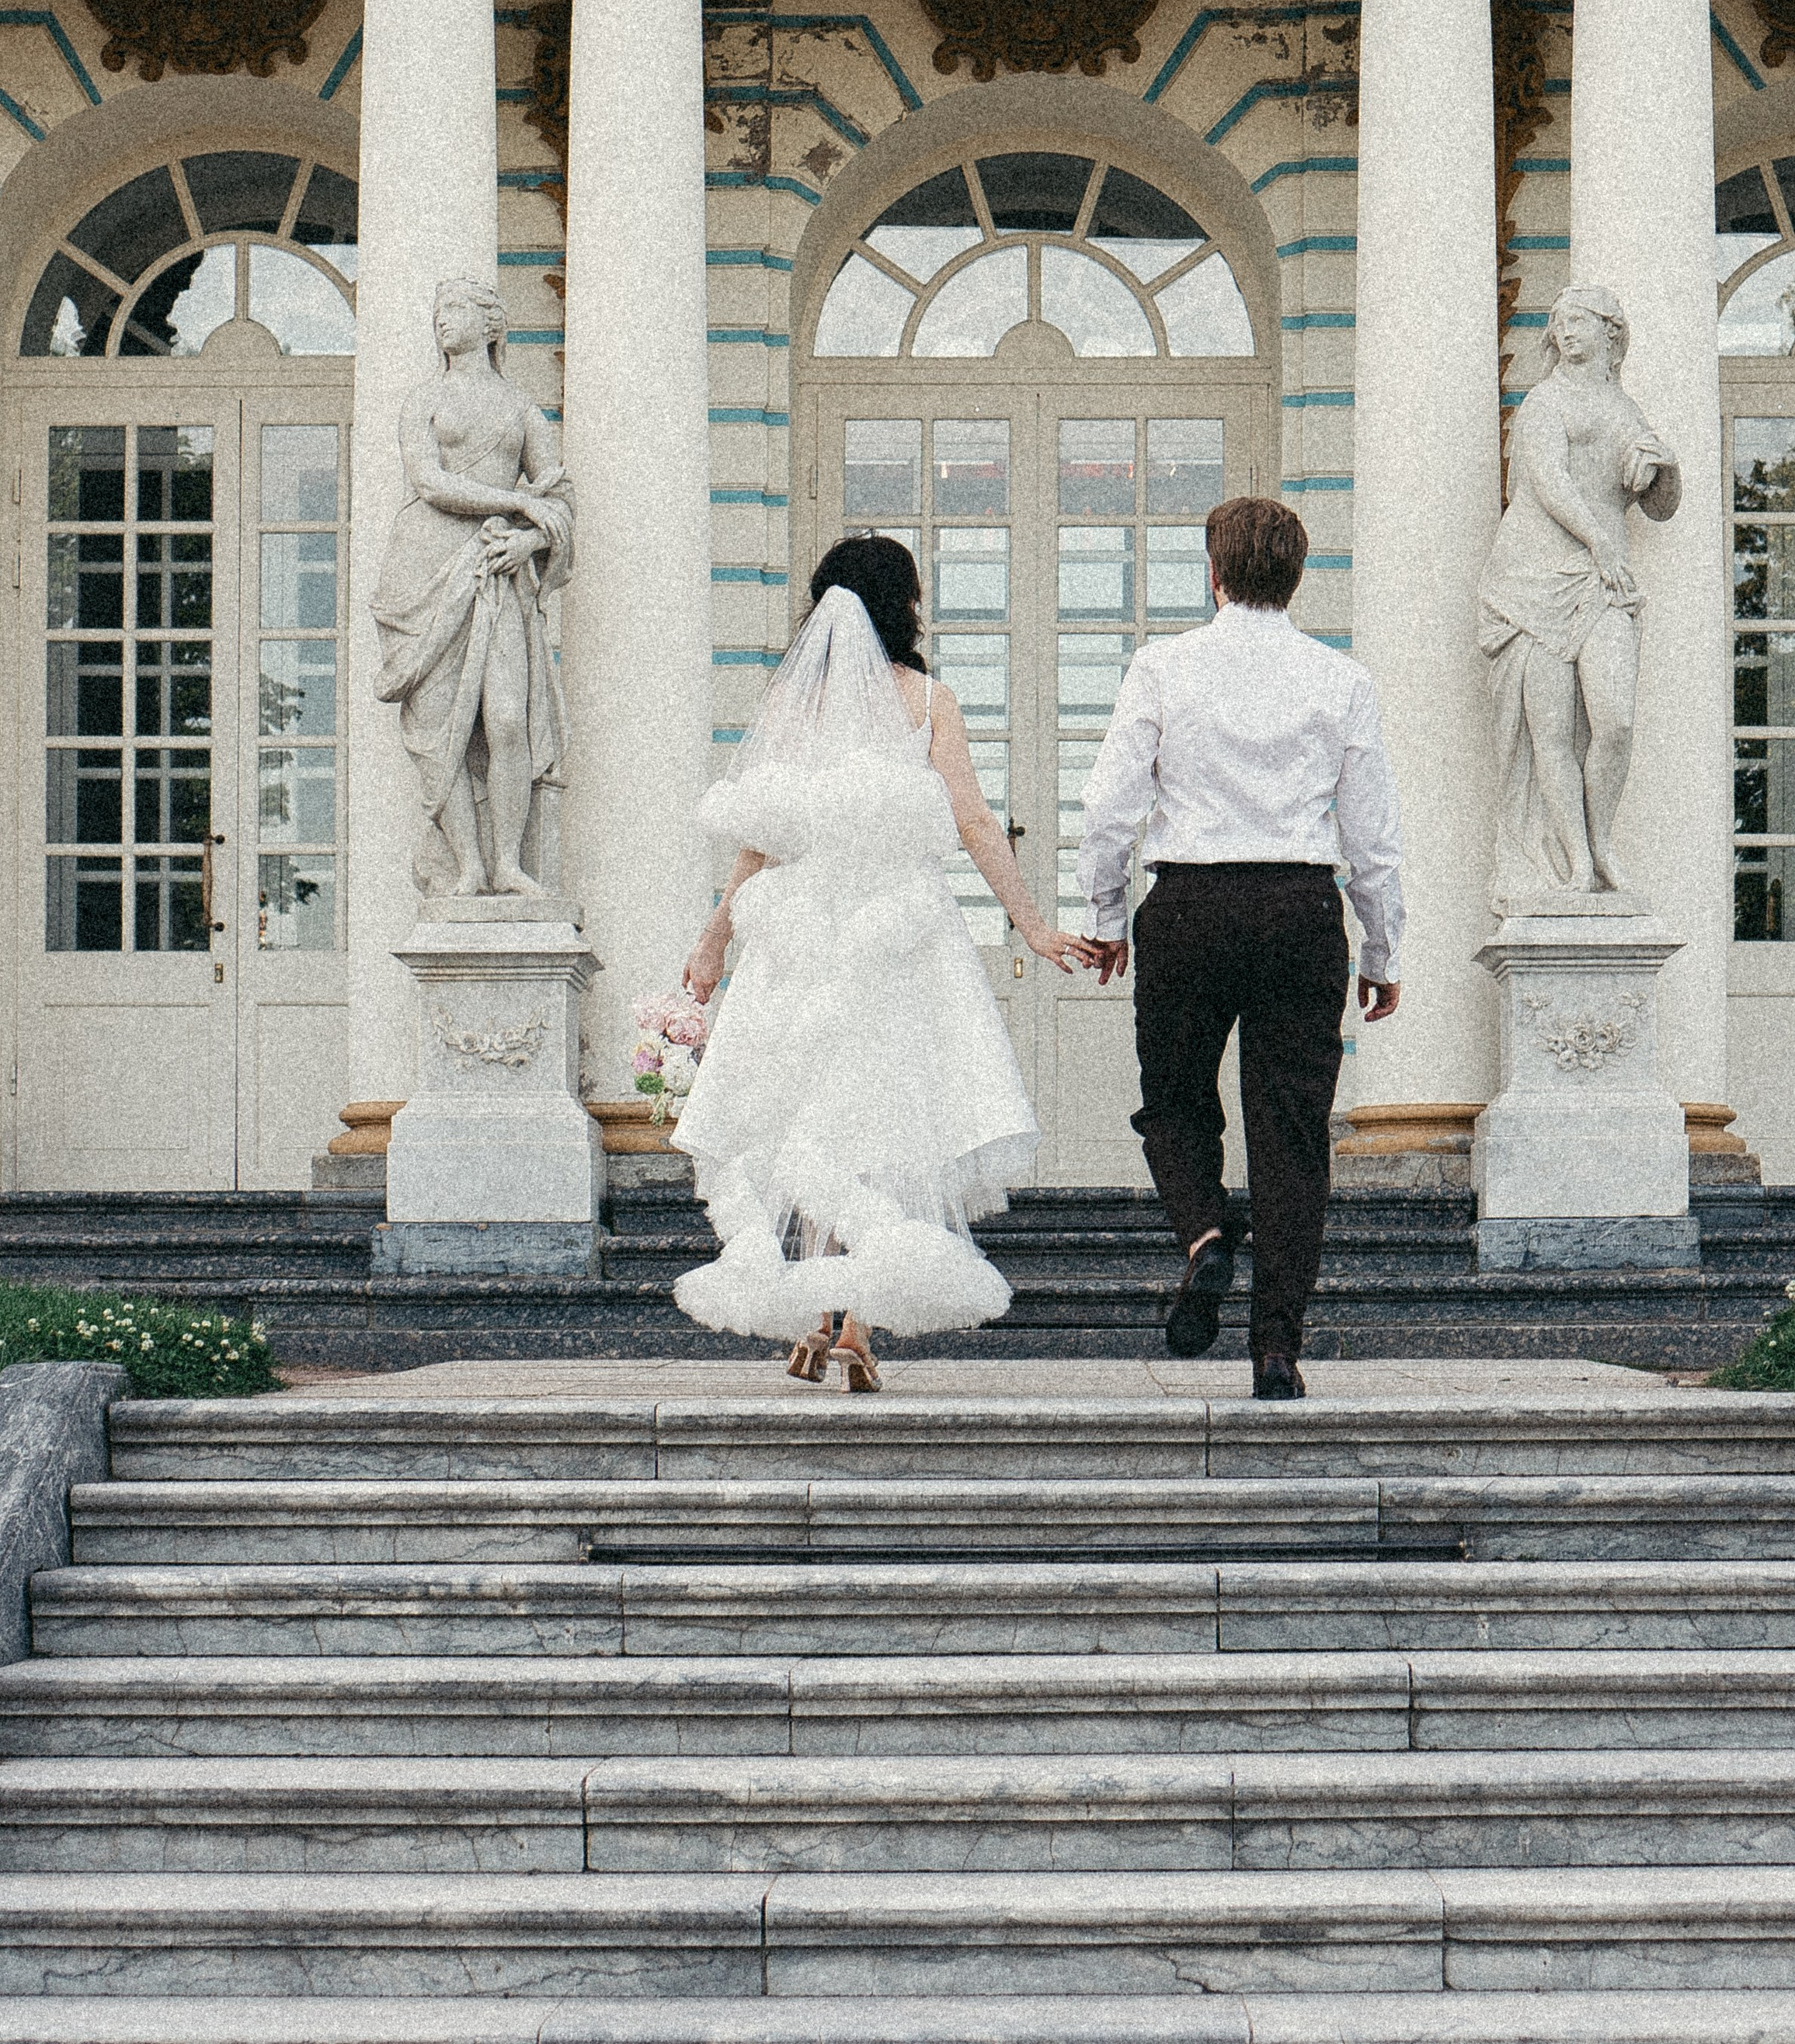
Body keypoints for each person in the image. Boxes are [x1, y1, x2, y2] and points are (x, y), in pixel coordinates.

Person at [673, 533, 1090, 1387]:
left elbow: (761, 839)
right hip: (898, 939)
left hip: (800, 941)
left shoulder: (791, 706)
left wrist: (716, 938)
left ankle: (818, 1318)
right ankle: (856, 1322)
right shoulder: (928, 702)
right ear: (903, 606)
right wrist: (1032, 925)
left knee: (807, 1120)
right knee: (885, 1121)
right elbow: (974, 823)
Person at [1077, 495, 1404, 1393]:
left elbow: (1108, 809)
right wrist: (1381, 949)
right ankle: (1276, 1349)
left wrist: (1108, 919)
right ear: (1296, 578)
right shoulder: (1340, 680)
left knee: (1174, 1100)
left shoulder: (1161, 668)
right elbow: (1372, 837)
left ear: (1212, 574)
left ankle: (1205, 1236)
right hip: (1300, 908)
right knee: (1291, 1134)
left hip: (1190, 902)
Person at [370, 277, 574, 900]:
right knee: (440, 732)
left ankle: (509, 863)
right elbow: (429, 482)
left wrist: (529, 542)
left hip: (494, 569)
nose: (442, 321)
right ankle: (469, 867)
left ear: (491, 325)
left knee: (507, 718)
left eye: (455, 309)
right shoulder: (422, 401)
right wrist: (518, 503)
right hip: (423, 569)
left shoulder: (520, 408)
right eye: (437, 311)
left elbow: (561, 500)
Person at [1478, 283, 1678, 912]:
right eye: (1559, 322)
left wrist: (1666, 468)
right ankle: (1577, 864)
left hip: (1601, 581)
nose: (1565, 332)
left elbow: (1661, 509)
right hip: (1535, 579)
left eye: (1579, 321)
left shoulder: (1627, 410)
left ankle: (1602, 839)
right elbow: (1549, 483)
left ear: (1611, 334)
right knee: (1552, 735)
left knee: (1615, 719)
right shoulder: (1545, 402)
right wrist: (1601, 543)